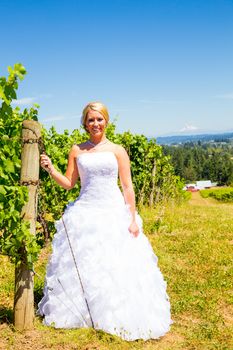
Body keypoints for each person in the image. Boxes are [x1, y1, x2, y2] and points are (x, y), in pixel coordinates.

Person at [38, 101, 172, 341]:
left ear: (106, 121)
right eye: (91, 120)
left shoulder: (118, 150)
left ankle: (114, 314)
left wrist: (131, 218)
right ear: (85, 123)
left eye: (99, 119)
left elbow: (127, 187)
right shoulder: (77, 150)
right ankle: (83, 314)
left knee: (115, 264)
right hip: (84, 211)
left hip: (112, 211)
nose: (95, 124)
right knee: (85, 262)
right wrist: (50, 169)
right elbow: (69, 183)